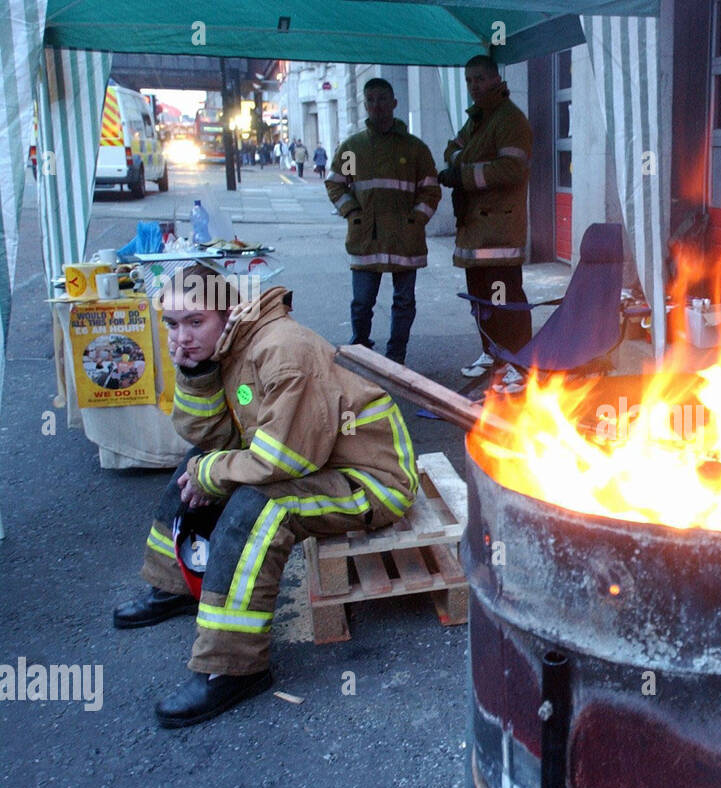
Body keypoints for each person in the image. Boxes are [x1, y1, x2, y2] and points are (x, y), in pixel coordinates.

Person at [111, 265, 419, 728]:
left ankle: (232, 668)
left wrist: (212, 471)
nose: (183, 337)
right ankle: (175, 585)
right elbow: (213, 435)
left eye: (196, 322)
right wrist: (196, 374)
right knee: (196, 464)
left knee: (261, 508)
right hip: (322, 461)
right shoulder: (232, 346)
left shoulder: (281, 349)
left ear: (229, 312)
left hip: (370, 479)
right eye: (173, 325)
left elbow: (288, 457)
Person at [325, 77, 440, 366]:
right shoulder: (352, 148)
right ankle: (361, 350)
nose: (376, 105)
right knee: (362, 303)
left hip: (405, 237)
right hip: (367, 237)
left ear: (394, 103)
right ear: (366, 105)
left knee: (403, 303)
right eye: (371, 100)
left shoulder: (414, 149)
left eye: (382, 99)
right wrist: (353, 213)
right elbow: (336, 184)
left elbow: (431, 188)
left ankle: (395, 357)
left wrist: (418, 218)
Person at [440, 55, 534, 388]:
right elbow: (451, 148)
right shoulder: (478, 120)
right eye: (468, 80)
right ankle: (493, 352)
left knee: (505, 299)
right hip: (476, 231)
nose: (473, 86)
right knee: (481, 299)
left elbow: (511, 169)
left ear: (496, 79)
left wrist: (463, 173)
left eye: (480, 79)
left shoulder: (509, 120)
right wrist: (463, 160)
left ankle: (519, 364)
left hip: (499, 230)